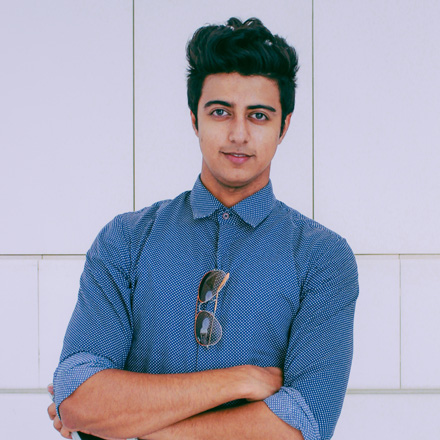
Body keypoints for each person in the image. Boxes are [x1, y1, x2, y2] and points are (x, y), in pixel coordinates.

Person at [47, 17, 359, 440]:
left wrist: (130, 426)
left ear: (284, 126)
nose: (238, 134)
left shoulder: (322, 257)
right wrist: (241, 380)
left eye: (259, 116)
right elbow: (79, 398)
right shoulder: (125, 240)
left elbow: (303, 424)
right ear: (195, 119)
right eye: (220, 112)